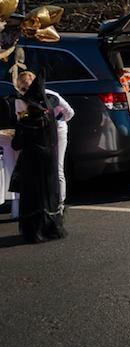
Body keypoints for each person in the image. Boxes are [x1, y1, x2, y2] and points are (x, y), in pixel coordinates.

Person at [12, 73, 66, 243]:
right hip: (49, 156)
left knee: (34, 196)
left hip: (32, 159)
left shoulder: (26, 119)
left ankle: (35, 230)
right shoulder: (48, 112)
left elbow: (17, 144)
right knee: (49, 192)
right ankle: (52, 227)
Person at [15, 71, 74, 205]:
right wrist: (28, 115)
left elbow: (69, 112)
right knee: (40, 166)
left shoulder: (50, 95)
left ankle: (60, 202)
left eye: (30, 87)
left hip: (56, 130)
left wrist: (58, 122)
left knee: (57, 166)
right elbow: (20, 117)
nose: (27, 91)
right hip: (37, 132)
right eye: (23, 89)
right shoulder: (20, 100)